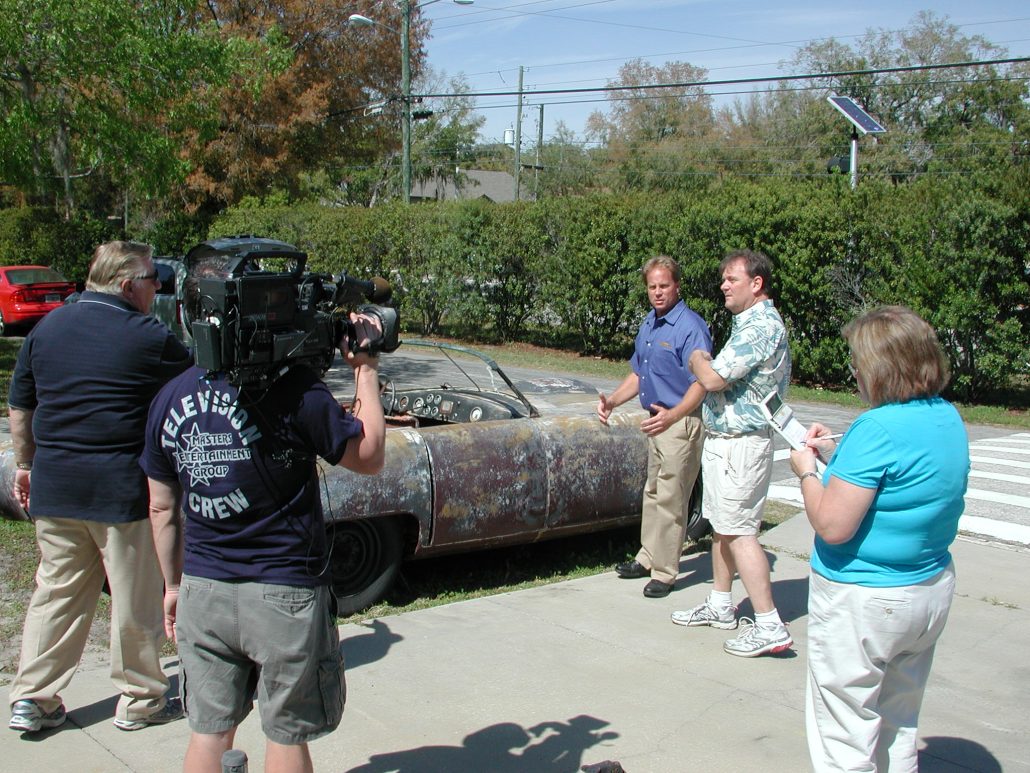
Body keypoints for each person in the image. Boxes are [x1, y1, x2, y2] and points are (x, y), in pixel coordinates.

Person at [141, 255, 387, 773]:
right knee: (287, 733)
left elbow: (161, 506)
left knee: (209, 731)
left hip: (203, 589)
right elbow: (368, 456)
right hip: (283, 593)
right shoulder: (296, 391)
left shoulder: (169, 398)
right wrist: (365, 369)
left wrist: (172, 586)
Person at [7, 241, 191, 733]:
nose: (158, 287)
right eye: (152, 279)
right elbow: (199, 380)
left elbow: (21, 407)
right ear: (128, 286)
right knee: (135, 599)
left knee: (57, 593)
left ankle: (33, 698)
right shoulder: (149, 336)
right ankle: (141, 699)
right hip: (120, 493)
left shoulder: (45, 329)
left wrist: (24, 465)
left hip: (55, 489)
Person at [789, 306, 969, 772]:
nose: (854, 373)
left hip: (865, 599)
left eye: (857, 363)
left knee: (845, 735)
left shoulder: (877, 427)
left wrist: (807, 471)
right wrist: (837, 455)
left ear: (881, 367)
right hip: (927, 589)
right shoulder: (947, 416)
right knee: (898, 722)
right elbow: (901, 481)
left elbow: (832, 525)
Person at [671, 249, 793, 657]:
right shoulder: (747, 324)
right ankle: (721, 605)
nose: (723, 285)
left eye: (732, 279)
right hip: (725, 443)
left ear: (756, 284)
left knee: (741, 533)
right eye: (723, 279)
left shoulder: (761, 327)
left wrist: (695, 357)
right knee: (723, 527)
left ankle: (770, 625)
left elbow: (713, 378)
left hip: (742, 445)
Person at [598, 255, 711, 599]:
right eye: (652, 286)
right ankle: (647, 557)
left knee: (672, 498)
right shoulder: (650, 323)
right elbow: (638, 373)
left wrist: (674, 415)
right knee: (652, 492)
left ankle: (665, 572)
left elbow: (702, 383)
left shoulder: (690, 327)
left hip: (680, 423)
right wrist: (613, 401)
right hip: (655, 423)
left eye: (664, 285)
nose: (658, 292)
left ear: (677, 286)